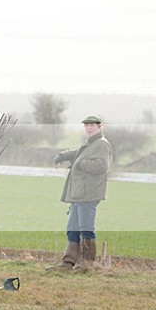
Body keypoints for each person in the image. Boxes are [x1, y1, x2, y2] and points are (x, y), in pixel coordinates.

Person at [47, 114, 111, 271]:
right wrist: (62, 156)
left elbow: (102, 166)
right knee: (72, 228)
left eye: (92, 125)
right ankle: (68, 262)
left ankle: (86, 264)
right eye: (86, 125)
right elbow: (77, 152)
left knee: (86, 228)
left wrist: (80, 163)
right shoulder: (90, 144)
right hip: (79, 193)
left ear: (99, 127)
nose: (89, 128)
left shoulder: (102, 144)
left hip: (89, 194)